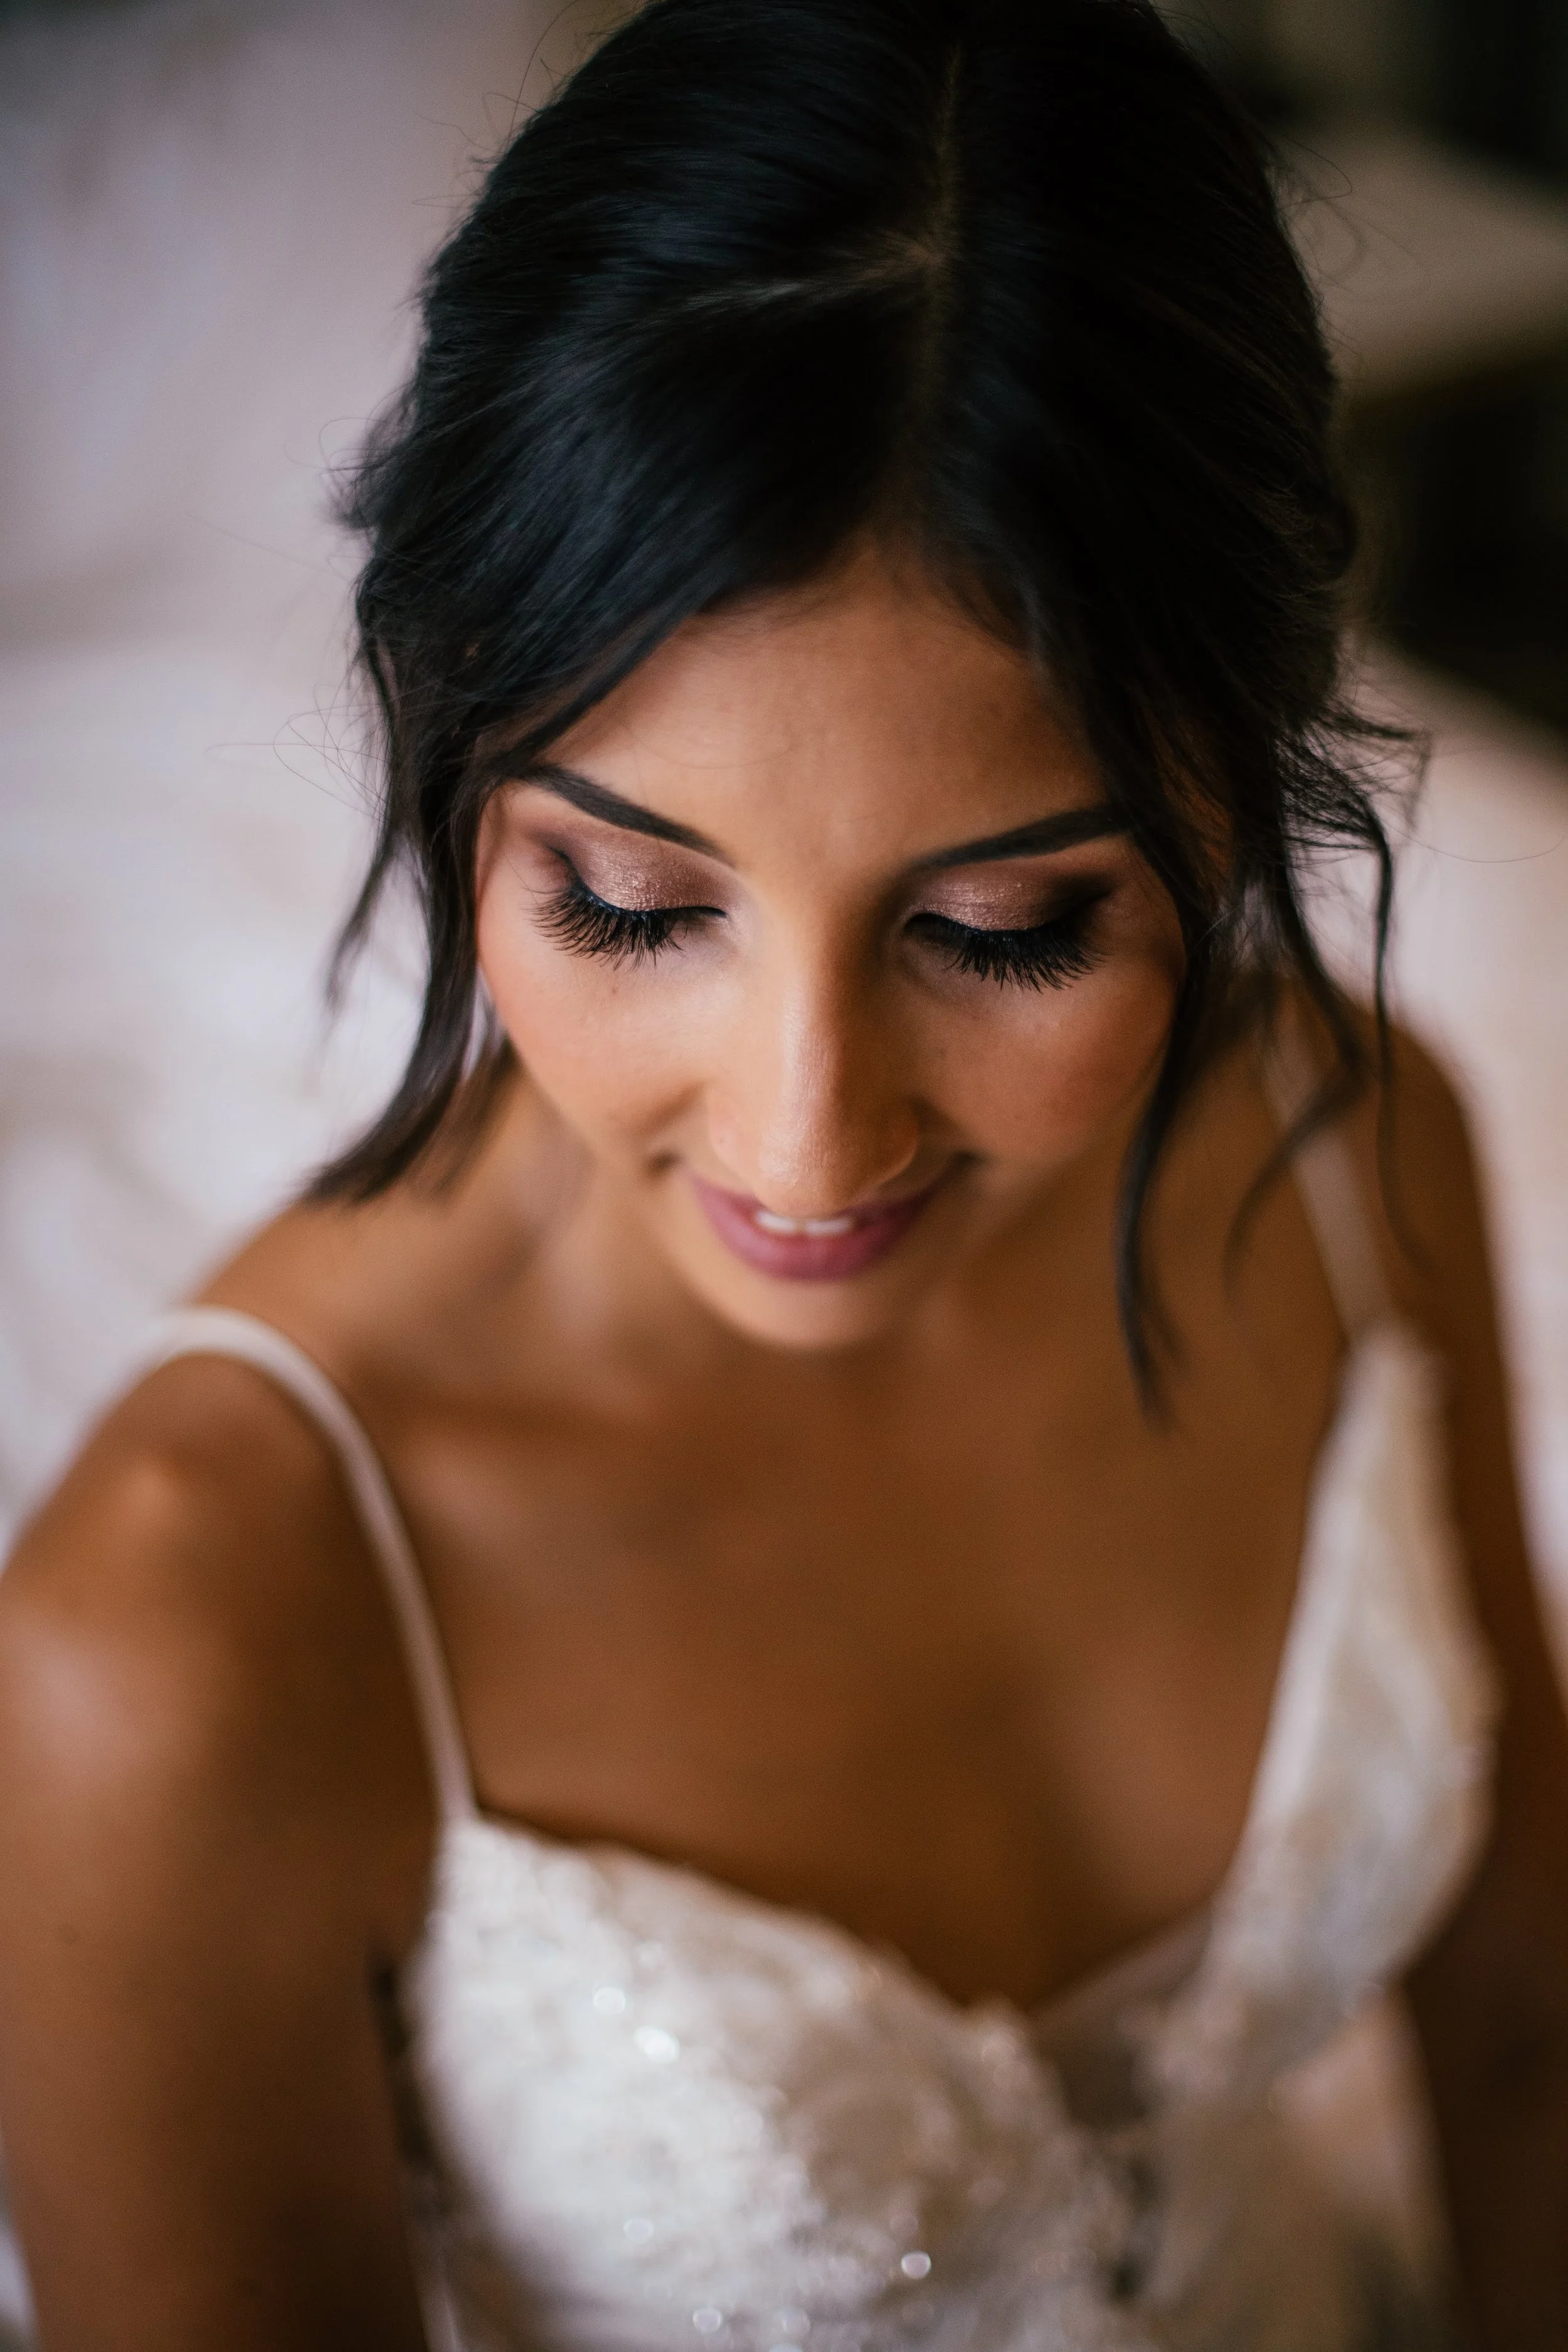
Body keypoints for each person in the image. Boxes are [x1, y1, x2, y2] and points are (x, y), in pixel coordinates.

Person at [1, 0, 1565, 2343]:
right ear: (446, 759)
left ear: (1236, 802)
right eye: (633, 907)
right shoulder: (179, 1642)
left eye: (1008, 929)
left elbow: (1526, 2060)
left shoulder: (1356, 1157)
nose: (801, 1139)